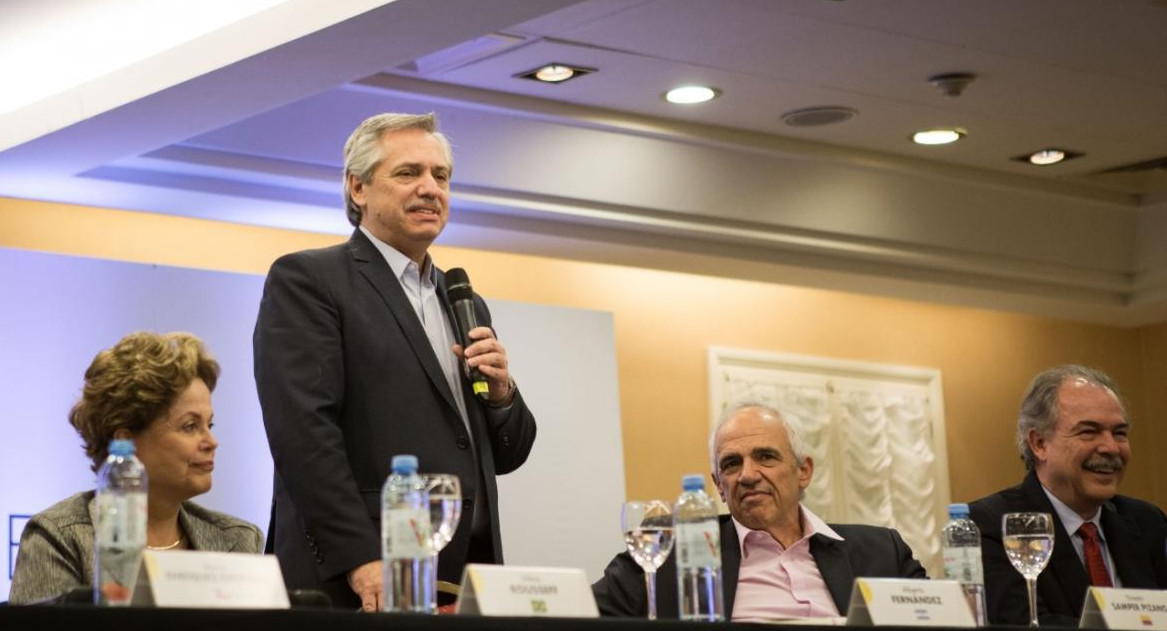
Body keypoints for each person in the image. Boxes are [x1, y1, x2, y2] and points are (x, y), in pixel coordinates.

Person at [253, 112, 537, 611]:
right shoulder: (310, 281)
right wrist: (360, 558)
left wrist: (500, 397)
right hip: (360, 578)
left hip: (463, 572)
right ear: (357, 188)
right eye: (409, 174)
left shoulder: (460, 297)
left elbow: (506, 454)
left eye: (441, 176)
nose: (430, 188)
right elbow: (304, 434)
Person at [592, 403, 926, 621]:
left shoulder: (882, 551)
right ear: (719, 485)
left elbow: (946, 618)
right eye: (732, 464)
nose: (748, 475)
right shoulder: (672, 550)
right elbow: (579, 616)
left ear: (803, 471)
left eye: (765, 456)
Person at [9, 332, 262, 604]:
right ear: (125, 441)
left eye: (209, 425)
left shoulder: (238, 541)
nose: (212, 442)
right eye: (190, 426)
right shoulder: (60, 539)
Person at [969, 365, 1167, 626]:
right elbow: (1023, 623)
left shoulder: (1147, 520)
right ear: (1039, 444)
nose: (1110, 447)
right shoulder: (992, 525)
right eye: (1088, 431)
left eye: (1119, 433)